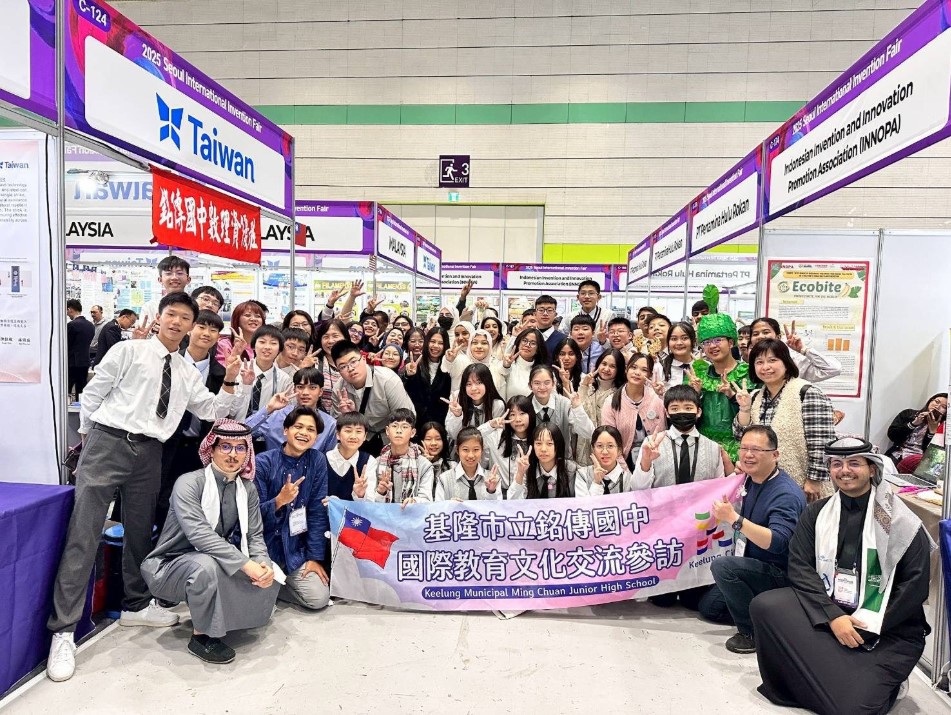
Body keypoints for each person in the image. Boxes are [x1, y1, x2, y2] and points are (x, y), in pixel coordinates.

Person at [45, 293, 247, 682]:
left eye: (185, 317)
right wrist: (88, 439)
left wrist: (231, 379)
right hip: (108, 441)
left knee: (140, 532)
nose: (177, 322)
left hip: (151, 451)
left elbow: (211, 411)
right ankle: (64, 630)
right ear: (159, 317)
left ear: (191, 326)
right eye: (172, 314)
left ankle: (135, 605)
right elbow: (93, 393)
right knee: (84, 534)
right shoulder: (129, 351)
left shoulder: (186, 372)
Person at [751, 436, 932, 713]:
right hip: (833, 611)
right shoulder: (817, 513)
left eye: (854, 463)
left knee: (852, 709)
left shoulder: (900, 522)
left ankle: (878, 683)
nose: (844, 470)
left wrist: (868, 625)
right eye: (837, 464)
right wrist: (832, 616)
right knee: (766, 606)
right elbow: (800, 567)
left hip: (887, 626)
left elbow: (914, 587)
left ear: (872, 469)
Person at [135, 421, 279, 667]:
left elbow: (255, 536)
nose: (233, 454)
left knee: (270, 572)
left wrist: (262, 564)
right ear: (211, 449)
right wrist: (246, 565)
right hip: (168, 565)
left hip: (213, 558)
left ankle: (222, 616)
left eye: (240, 448)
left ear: (247, 453)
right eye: (225, 446)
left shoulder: (247, 489)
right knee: (207, 566)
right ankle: (202, 637)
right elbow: (200, 535)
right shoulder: (189, 483)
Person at [698, 425, 807, 654]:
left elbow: (778, 543)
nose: (748, 455)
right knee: (708, 608)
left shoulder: (785, 493)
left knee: (722, 568)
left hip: (779, 571)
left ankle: (752, 632)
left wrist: (734, 519)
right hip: (750, 561)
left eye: (756, 450)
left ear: (775, 454)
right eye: (744, 448)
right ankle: (770, 615)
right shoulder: (749, 479)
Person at [734, 338, 837, 503]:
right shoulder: (755, 396)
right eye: (759, 362)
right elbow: (740, 436)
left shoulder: (807, 392)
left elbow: (822, 440)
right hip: (762, 484)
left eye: (772, 360)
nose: (765, 367)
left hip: (802, 483)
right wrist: (744, 408)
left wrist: (814, 479)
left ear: (786, 362)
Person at [157, 310, 229, 531]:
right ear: (190, 329)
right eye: (201, 327)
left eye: (213, 329)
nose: (206, 333)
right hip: (164, 444)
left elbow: (221, 411)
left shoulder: (222, 373)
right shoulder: (166, 362)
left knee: (193, 503)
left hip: (200, 448)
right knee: (157, 498)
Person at [255, 408, 331, 611]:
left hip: (295, 550)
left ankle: (276, 589)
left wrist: (314, 558)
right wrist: (279, 501)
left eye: (310, 430)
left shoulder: (317, 460)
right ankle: (268, 588)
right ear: (286, 430)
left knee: (319, 598)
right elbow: (251, 516)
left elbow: (317, 513)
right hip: (264, 548)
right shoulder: (263, 462)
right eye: (298, 427)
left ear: (316, 437)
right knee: (258, 606)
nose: (304, 433)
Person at [632, 385, 726, 489]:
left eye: (688, 408)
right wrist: (646, 462)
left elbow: (720, 488)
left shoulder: (713, 448)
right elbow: (637, 488)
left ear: (698, 412)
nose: (681, 412)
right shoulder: (651, 443)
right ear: (667, 413)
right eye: (675, 408)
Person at [332, 341, 415, 456]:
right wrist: (349, 416)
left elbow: (405, 418)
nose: (350, 368)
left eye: (353, 362)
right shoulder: (339, 389)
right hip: (361, 438)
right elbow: (340, 430)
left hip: (391, 436)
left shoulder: (388, 380)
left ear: (364, 359)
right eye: (343, 367)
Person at [688, 313, 752, 463]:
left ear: (730, 342)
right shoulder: (697, 375)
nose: (712, 346)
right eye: (707, 342)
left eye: (718, 340)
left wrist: (732, 396)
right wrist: (696, 394)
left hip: (741, 449)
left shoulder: (748, 374)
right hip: (703, 448)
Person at [244, 368, 337, 454]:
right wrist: (269, 408)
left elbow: (329, 458)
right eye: (300, 387)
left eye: (312, 387)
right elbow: (242, 433)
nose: (305, 393)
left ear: (320, 392)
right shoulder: (276, 415)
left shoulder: (330, 424)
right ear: (294, 389)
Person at [601, 354, 666, 467]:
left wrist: (661, 396)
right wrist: (624, 470)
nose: (637, 373)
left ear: (650, 374)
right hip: (625, 463)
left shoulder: (656, 397)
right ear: (626, 369)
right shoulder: (611, 402)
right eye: (633, 367)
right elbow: (609, 441)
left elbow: (670, 426)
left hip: (658, 461)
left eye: (644, 370)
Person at [362, 409, 434, 504]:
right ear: (387, 431)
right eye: (395, 426)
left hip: (412, 513)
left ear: (412, 432)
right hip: (383, 513)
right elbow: (368, 502)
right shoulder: (376, 463)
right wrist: (380, 492)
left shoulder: (424, 465)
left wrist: (414, 501)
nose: (399, 431)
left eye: (404, 427)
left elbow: (427, 499)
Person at [748, 317, 842, 385]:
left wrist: (803, 350)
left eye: (766, 332)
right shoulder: (750, 360)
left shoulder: (793, 359)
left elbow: (834, 369)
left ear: (778, 337)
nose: (760, 336)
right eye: (755, 334)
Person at [529, 364, 594, 460]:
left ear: (553, 383)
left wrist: (577, 408)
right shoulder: (526, 407)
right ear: (530, 385)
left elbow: (588, 432)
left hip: (563, 461)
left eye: (547, 383)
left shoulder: (564, 403)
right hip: (535, 462)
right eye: (537, 383)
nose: (542, 387)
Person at [478, 395, 537, 499]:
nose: (518, 419)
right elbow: (472, 436)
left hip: (529, 496)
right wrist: (491, 425)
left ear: (530, 414)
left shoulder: (538, 439)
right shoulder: (496, 436)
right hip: (498, 495)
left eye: (522, 413)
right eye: (512, 414)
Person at [574, 348, 626, 465]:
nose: (606, 369)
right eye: (604, 364)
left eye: (612, 366)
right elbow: (577, 413)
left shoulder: (620, 394)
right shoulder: (589, 387)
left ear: (619, 369)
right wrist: (584, 385)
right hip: (584, 447)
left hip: (607, 449)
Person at [242, 326, 293, 433]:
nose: (267, 347)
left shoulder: (284, 379)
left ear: (280, 349)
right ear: (253, 345)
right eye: (262, 342)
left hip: (267, 435)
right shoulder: (239, 370)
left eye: (273, 343)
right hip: (236, 432)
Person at [508, 423, 578, 499]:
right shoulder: (526, 468)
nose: (543, 449)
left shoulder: (572, 470)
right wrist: (520, 473)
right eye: (538, 443)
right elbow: (512, 502)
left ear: (558, 445)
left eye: (549, 443)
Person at [434, 427, 502, 501]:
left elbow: (499, 507)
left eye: (476, 449)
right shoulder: (444, 479)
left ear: (482, 449)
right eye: (465, 450)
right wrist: (449, 505)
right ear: (457, 450)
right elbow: (438, 506)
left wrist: (491, 492)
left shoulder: (493, 479)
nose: (471, 455)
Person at [445, 362, 506, 442]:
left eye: (479, 383)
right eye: (469, 384)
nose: (473, 388)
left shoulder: (497, 405)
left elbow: (494, 440)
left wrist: (489, 426)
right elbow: (453, 435)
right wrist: (457, 416)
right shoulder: (457, 398)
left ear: (487, 383)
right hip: (461, 447)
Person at [403, 326, 451, 426]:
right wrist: (408, 375)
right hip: (416, 421)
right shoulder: (415, 363)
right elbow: (405, 390)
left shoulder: (449, 367)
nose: (436, 346)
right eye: (432, 341)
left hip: (440, 423)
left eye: (440, 343)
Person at [885, 392, 947, 469]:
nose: (937, 406)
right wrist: (913, 424)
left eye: (943, 407)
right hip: (897, 455)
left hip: (920, 462)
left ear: (946, 412)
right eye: (937, 402)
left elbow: (935, 454)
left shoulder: (944, 427)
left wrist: (932, 432)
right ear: (930, 401)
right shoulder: (908, 414)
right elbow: (892, 435)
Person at [325, 411, 377, 502]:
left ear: (365, 436)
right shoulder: (323, 459)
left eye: (358, 431)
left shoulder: (369, 461)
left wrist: (360, 495)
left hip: (355, 511)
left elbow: (369, 503)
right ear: (338, 434)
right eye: (348, 431)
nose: (353, 436)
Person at [574, 426, 633, 496]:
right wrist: (596, 482)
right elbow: (582, 503)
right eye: (599, 446)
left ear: (619, 450)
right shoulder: (583, 475)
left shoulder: (628, 479)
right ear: (593, 449)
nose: (605, 452)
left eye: (610, 446)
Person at [139, 255, 192, 332]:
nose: (174, 277)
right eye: (168, 273)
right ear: (160, 279)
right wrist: (153, 331)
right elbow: (142, 332)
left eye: (179, 273)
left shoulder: (195, 306)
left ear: (188, 279)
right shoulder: (150, 307)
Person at [498, 327, 548, 399]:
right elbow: (502, 371)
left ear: (538, 349)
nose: (527, 345)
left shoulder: (543, 371)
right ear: (518, 344)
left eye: (533, 343)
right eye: (524, 341)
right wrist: (506, 366)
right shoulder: (508, 365)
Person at [313, 319, 348, 415]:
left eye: (335, 336)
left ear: (345, 338)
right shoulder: (314, 363)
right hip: (319, 419)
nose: (330, 341)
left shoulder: (355, 364)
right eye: (326, 337)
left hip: (347, 420)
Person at [216, 300, 265, 365]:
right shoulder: (225, 344)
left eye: (257, 316)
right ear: (237, 319)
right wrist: (236, 354)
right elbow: (222, 369)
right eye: (247, 315)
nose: (253, 319)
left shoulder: (264, 344)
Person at [657, 321, 698, 394]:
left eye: (684, 338)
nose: (679, 343)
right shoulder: (659, 368)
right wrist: (659, 394)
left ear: (693, 341)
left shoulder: (705, 366)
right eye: (674, 339)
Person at [416, 421, 455, 498]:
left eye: (438, 439)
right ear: (421, 441)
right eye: (428, 439)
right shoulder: (414, 465)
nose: (433, 443)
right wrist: (425, 463)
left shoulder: (452, 466)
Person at [66, 299, 95, 398]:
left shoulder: (71, 325)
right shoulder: (91, 325)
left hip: (71, 362)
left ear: (70, 309)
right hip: (85, 362)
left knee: (67, 389)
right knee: (81, 390)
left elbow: (67, 344)